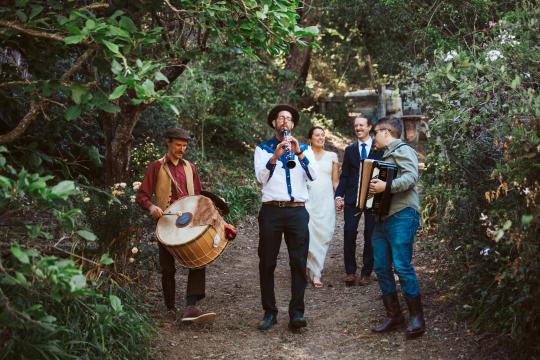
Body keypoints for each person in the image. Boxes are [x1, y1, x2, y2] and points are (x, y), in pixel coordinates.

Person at [136, 128, 216, 324]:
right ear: (168, 143)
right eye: (178, 145)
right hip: (166, 223)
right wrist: (151, 206)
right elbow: (142, 195)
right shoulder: (156, 167)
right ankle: (170, 307)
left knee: (198, 259)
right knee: (167, 267)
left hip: (190, 221)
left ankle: (191, 305)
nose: (182, 149)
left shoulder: (190, 167)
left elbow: (198, 196)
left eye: (185, 146)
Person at [254, 104, 318, 331]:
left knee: (299, 262)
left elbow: (313, 176)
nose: (284, 122)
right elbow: (262, 178)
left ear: (292, 125)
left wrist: (299, 153)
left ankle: (297, 313)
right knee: (267, 262)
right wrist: (275, 156)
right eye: (280, 118)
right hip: (271, 211)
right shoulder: (262, 149)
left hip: (297, 211)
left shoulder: (305, 149)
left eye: (288, 119)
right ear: (274, 123)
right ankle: (269, 312)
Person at [368, 116, 425, 339]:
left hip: (402, 215)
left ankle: (416, 317)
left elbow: (411, 176)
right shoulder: (382, 155)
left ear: (386, 132)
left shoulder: (402, 149)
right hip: (382, 219)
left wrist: (386, 186)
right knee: (381, 266)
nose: (374, 137)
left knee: (402, 265)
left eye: (376, 133)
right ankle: (394, 316)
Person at [335, 116, 382, 286]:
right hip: (352, 198)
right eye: (356, 126)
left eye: (361, 125)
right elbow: (345, 175)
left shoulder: (379, 148)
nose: (358, 128)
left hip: (372, 196)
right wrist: (338, 195)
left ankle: (366, 273)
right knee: (349, 231)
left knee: (370, 234)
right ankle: (350, 271)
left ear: (369, 127)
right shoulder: (350, 150)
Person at [305, 126, 339, 288]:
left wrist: (338, 197)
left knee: (324, 234)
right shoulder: (304, 154)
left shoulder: (332, 156)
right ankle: (313, 271)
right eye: (317, 135)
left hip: (326, 201)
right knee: (308, 235)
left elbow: (335, 181)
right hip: (307, 200)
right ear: (310, 138)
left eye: (323, 135)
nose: (321, 138)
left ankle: (315, 269)